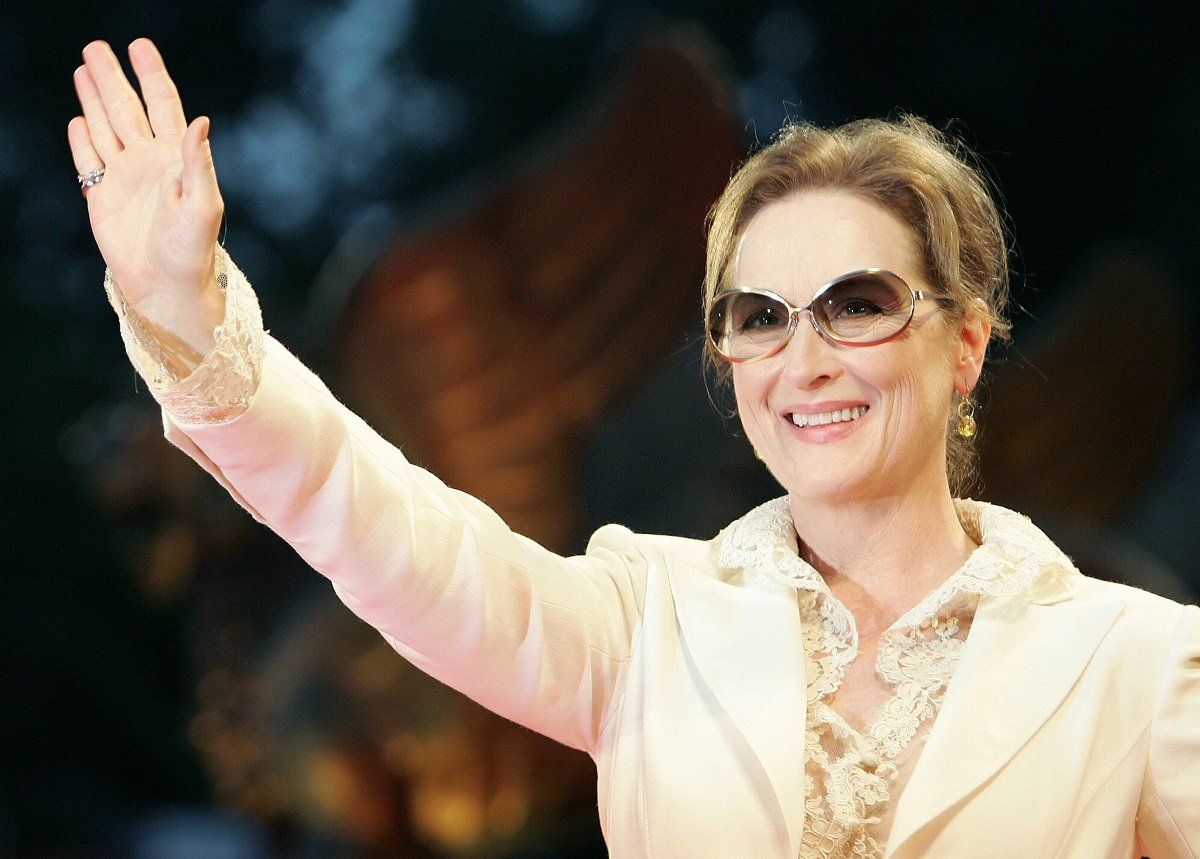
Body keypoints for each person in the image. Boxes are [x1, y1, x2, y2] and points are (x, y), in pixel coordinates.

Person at [69, 38, 1199, 859]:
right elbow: (371, 522)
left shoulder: (1142, 665)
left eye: (856, 304)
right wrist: (192, 316)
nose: (803, 358)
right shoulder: (644, 624)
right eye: (760, 316)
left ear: (963, 344)